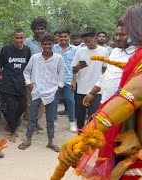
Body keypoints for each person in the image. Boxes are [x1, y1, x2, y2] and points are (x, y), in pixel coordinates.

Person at [57, 4, 142, 179]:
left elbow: (131, 95)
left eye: (127, 29)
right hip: (113, 105)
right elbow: (107, 77)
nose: (121, 36)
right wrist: (92, 92)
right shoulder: (118, 53)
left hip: (120, 107)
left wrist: (84, 137)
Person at [18, 33, 64, 152]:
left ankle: (51, 142)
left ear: (53, 44)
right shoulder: (35, 57)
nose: (47, 46)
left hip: (51, 92)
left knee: (50, 118)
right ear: (41, 45)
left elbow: (61, 76)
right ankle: (28, 139)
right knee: (32, 117)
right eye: (45, 44)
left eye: (49, 44)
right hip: (36, 92)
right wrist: (28, 83)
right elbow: (26, 72)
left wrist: (58, 88)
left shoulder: (58, 58)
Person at [83, 20, 134, 106]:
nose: (117, 38)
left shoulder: (137, 54)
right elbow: (107, 75)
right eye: (116, 35)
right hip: (106, 101)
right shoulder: (114, 52)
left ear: (132, 35)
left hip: (125, 105)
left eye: (122, 35)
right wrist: (92, 93)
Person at [71, 27, 109, 132]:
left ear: (95, 38)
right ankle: (79, 134)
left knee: (93, 115)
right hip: (81, 88)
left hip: (96, 89)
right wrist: (74, 79)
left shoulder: (104, 51)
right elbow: (74, 69)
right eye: (85, 41)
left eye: (89, 41)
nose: (87, 43)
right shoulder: (80, 51)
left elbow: (105, 70)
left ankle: (89, 136)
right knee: (80, 114)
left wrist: (103, 84)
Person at [0, 29, 31, 143]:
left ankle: (10, 124)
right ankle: (12, 131)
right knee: (11, 108)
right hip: (8, 83)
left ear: (25, 37)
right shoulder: (6, 49)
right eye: (17, 38)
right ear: (13, 38)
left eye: (21, 38)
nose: (19, 40)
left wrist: (30, 81)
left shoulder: (27, 50)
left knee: (22, 107)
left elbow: (29, 67)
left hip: (21, 83)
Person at [23, 16, 48, 131]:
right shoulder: (27, 42)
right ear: (33, 29)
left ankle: (37, 120)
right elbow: (24, 59)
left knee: (42, 100)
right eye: (37, 29)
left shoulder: (48, 41)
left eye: (42, 28)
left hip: (45, 76)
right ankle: (29, 121)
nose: (40, 31)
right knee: (30, 100)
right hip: (31, 76)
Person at [52, 28, 77, 133]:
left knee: (70, 101)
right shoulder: (53, 48)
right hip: (55, 80)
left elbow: (75, 66)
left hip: (68, 79)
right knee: (54, 101)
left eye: (65, 36)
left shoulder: (75, 49)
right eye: (61, 37)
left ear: (69, 36)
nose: (63, 39)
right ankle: (53, 120)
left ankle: (72, 122)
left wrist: (74, 80)